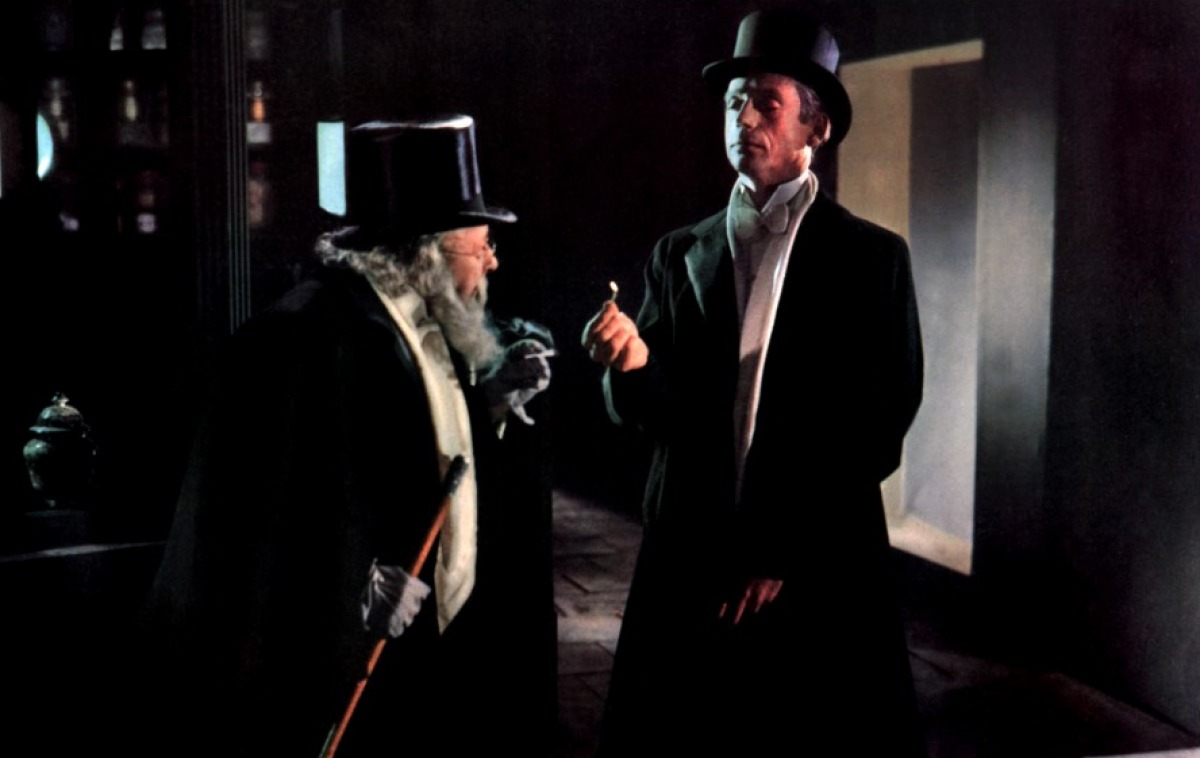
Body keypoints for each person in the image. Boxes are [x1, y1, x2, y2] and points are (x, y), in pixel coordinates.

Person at [135, 116, 554, 757]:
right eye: (480, 246)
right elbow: (258, 519)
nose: (493, 260)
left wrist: (490, 406)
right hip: (336, 663)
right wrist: (356, 582)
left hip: (423, 656)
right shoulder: (303, 337)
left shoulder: (425, 318)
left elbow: (415, 443)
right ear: (426, 252)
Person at [582, 9, 926, 756]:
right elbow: (658, 416)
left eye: (767, 103)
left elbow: (878, 421)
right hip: (690, 559)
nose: (743, 118)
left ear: (816, 127)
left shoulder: (872, 260)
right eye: (735, 102)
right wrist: (630, 364)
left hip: (817, 565)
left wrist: (779, 549)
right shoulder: (680, 252)